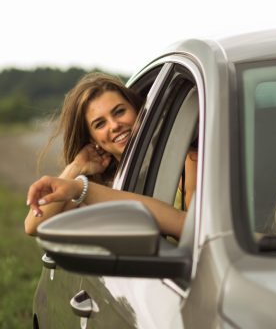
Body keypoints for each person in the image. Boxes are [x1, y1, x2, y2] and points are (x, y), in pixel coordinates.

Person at [24, 72, 193, 240]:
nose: (114, 126)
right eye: (100, 124)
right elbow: (33, 226)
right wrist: (75, 167)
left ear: (138, 110)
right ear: (92, 139)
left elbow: (194, 230)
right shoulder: (106, 185)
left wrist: (82, 188)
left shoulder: (187, 161)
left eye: (119, 112)